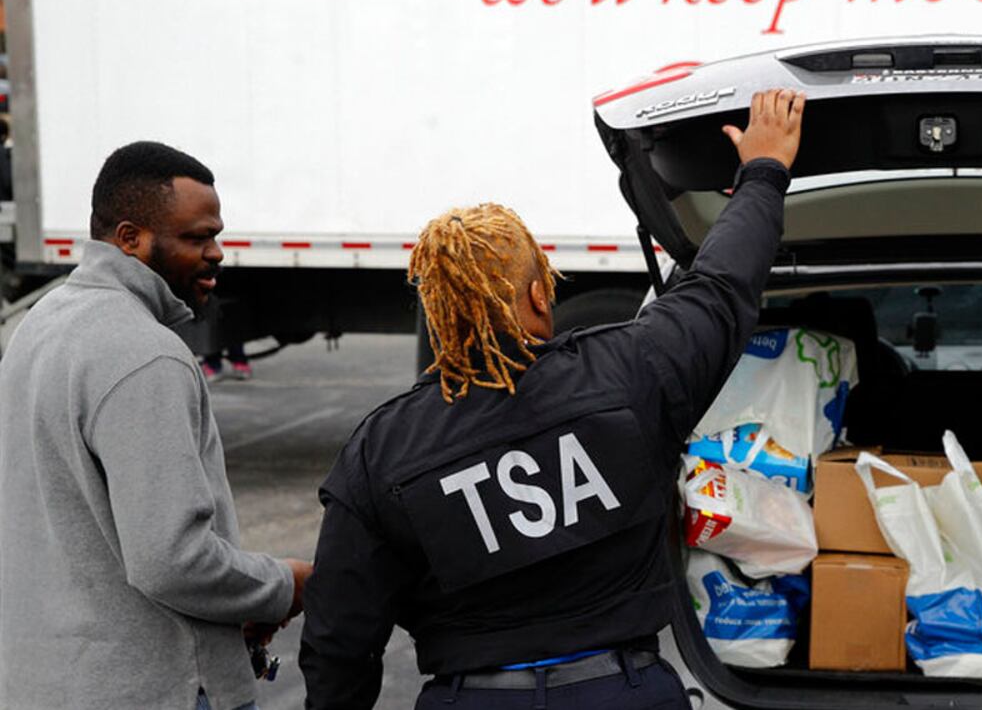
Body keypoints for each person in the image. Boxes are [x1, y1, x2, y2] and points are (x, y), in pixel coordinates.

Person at [299, 88, 805, 709]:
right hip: (623, 694)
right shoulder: (632, 370)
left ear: (434, 311)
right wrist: (763, 172)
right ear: (541, 296)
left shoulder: (379, 451)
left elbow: (339, 638)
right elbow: (723, 287)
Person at [0, 141, 313, 710]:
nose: (217, 253)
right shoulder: (146, 355)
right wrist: (281, 585)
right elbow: (174, 561)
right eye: (197, 237)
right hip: (148, 688)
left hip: (41, 683)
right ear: (130, 238)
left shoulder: (38, 326)